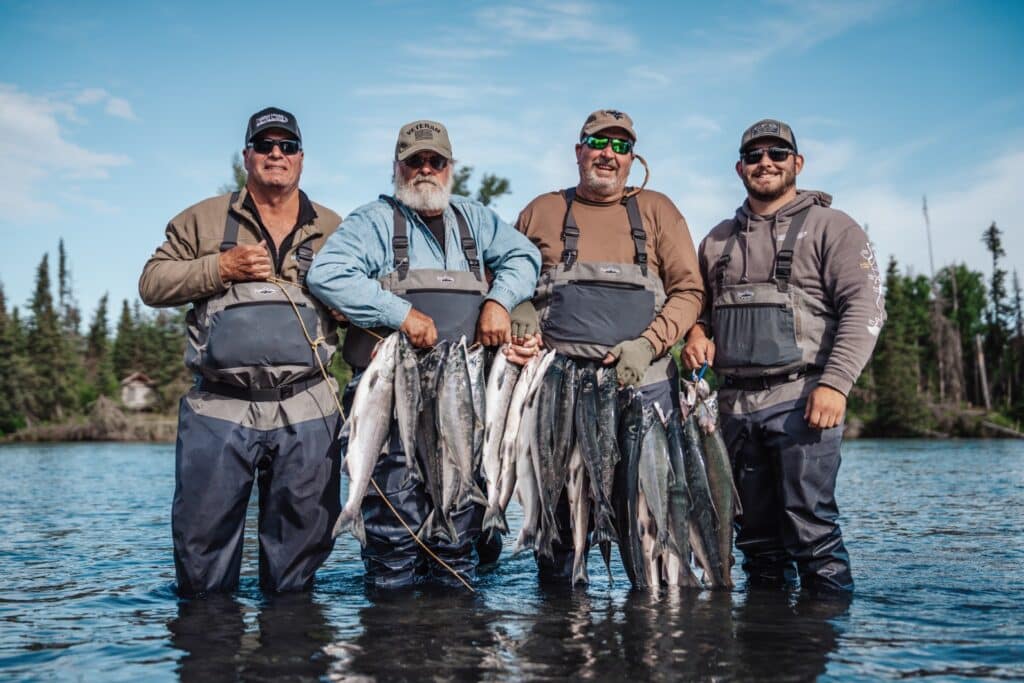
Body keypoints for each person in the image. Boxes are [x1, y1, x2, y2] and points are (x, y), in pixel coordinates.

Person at [306, 119, 541, 589]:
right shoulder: (373, 222)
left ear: (450, 168)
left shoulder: (475, 220)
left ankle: (455, 642)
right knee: (395, 539)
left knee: (458, 534)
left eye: (436, 161)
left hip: (465, 399)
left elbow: (525, 259)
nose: (426, 170)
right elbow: (326, 274)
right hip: (392, 405)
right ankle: (394, 643)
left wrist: (500, 301)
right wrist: (401, 314)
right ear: (398, 167)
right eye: (415, 161)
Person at [139, 107, 344, 596]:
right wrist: (220, 267)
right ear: (247, 155)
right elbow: (152, 283)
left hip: (309, 407)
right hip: (219, 406)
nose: (277, 154)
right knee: (202, 560)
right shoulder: (202, 219)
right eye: (266, 145)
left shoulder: (335, 228)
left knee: (299, 565)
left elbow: (362, 305)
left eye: (287, 146)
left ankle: (290, 657)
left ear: (301, 158)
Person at [682, 118, 885, 594]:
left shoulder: (834, 228)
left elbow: (867, 307)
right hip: (730, 411)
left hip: (804, 402)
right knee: (754, 543)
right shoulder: (716, 240)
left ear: (797, 163)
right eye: (754, 156)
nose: (765, 163)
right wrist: (696, 331)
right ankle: (763, 651)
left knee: (811, 531)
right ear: (740, 168)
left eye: (776, 154)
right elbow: (701, 310)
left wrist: (835, 384)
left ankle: (819, 643)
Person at [510, 109, 704, 583]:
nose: (608, 155)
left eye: (620, 147)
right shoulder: (542, 210)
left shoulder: (658, 210)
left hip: (645, 390)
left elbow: (690, 292)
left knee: (652, 533)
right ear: (579, 150)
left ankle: (657, 633)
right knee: (558, 532)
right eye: (599, 143)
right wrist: (520, 310)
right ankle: (559, 635)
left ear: (632, 158)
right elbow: (511, 286)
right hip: (559, 394)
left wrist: (649, 344)